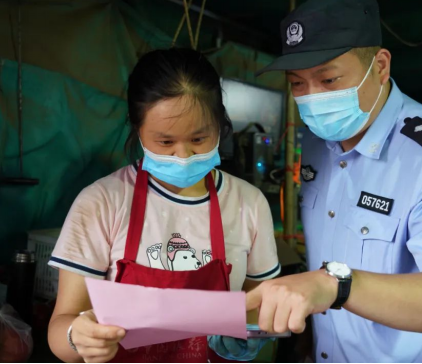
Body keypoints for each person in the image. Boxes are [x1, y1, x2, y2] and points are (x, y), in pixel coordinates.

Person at [247, 0, 422, 362]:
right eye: (297, 84)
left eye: (329, 79)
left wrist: (336, 285)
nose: (312, 98)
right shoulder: (316, 142)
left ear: (379, 66)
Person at [47, 48, 281, 363]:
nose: (183, 156)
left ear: (220, 124)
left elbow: (258, 301)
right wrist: (77, 337)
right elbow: (61, 326)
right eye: (166, 142)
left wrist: (253, 328)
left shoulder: (249, 203)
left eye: (199, 139)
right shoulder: (102, 201)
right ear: (138, 128)